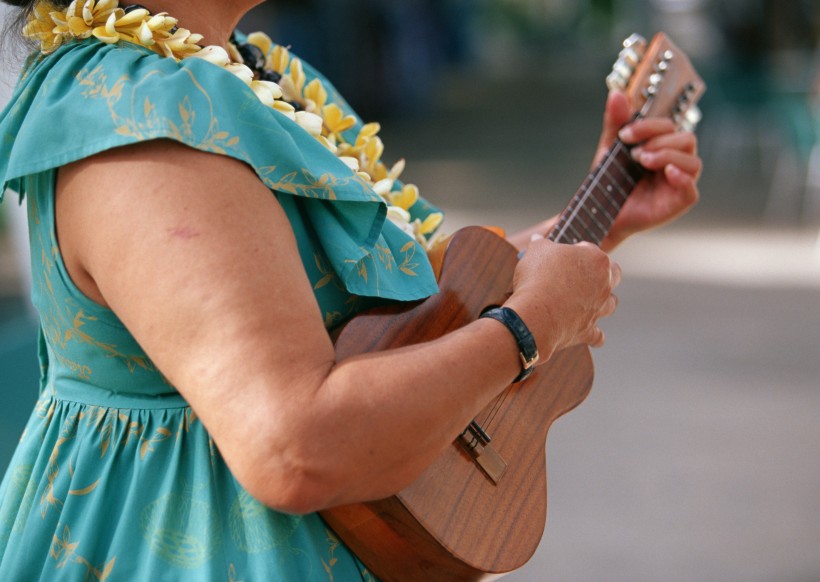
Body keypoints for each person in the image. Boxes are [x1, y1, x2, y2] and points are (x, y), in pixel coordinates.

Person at [0, 0, 701, 579]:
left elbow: (396, 300)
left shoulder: (252, 72)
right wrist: (529, 329)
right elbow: (295, 449)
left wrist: (583, 231)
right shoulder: (137, 117)